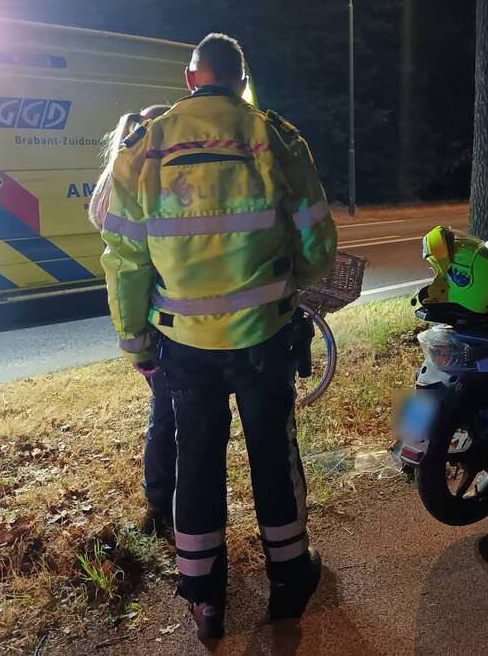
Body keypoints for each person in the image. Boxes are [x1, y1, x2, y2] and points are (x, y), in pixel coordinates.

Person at [100, 33, 336, 642]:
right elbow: (318, 248)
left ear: (190, 79)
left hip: (184, 347)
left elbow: (124, 261)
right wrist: (285, 284)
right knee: (274, 456)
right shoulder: (275, 138)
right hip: (264, 338)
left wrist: (135, 342)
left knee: (196, 460)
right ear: (241, 81)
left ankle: (205, 598)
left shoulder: (144, 146)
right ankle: (289, 580)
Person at [88, 104, 175, 537]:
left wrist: (133, 338)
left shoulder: (116, 180)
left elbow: (123, 272)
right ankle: (160, 506)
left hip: (142, 319)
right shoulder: (150, 180)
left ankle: (160, 502)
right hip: (164, 316)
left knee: (165, 411)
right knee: (169, 414)